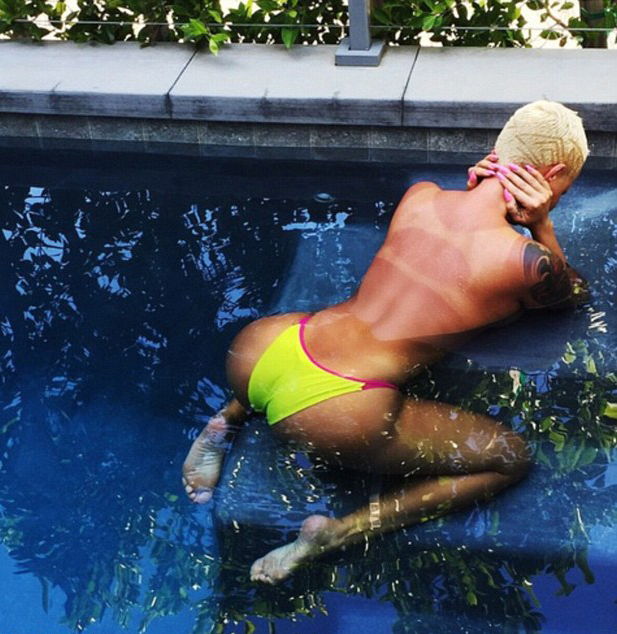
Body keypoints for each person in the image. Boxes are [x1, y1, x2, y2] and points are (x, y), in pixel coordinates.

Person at [182, 100, 590, 584]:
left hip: (262, 349)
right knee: (510, 459)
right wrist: (541, 224)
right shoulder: (526, 261)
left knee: (340, 320)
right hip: (335, 410)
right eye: (566, 187)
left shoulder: (421, 194)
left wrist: (478, 194)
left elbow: (444, 247)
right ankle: (340, 531)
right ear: (553, 175)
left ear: (497, 152)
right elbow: (571, 297)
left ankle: (225, 421)